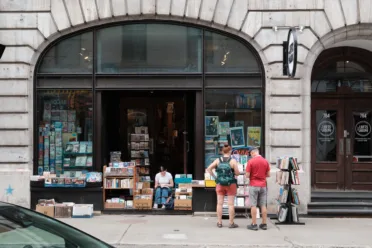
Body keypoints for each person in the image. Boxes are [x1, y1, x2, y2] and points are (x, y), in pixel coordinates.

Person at [207, 145, 240, 228]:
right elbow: (237, 173)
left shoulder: (218, 160)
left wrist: (215, 177)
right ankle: (231, 223)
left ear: (222, 151)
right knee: (231, 204)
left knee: (219, 204)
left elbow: (208, 169)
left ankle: (219, 222)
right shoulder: (233, 161)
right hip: (231, 184)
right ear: (230, 151)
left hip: (220, 184)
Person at [245, 148, 270, 231]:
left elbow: (247, 175)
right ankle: (264, 224)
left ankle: (254, 224)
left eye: (250, 154)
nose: (250, 155)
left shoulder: (251, 162)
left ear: (253, 153)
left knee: (253, 205)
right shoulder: (265, 161)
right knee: (263, 204)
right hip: (263, 185)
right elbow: (268, 174)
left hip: (253, 184)